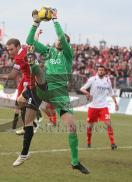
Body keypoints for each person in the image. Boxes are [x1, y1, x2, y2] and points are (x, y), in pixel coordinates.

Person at [13, 8, 89, 174]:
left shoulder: (68, 55)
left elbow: (62, 36)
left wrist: (55, 20)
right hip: (44, 86)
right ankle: (33, 115)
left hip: (60, 93)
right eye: (58, 40)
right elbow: (29, 41)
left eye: (63, 41)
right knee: (35, 72)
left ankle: (75, 162)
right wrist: (35, 22)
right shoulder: (49, 52)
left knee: (72, 127)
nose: (59, 41)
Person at [80, 65, 118, 150]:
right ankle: (88, 142)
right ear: (97, 71)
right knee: (89, 126)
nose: (100, 71)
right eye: (99, 70)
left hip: (103, 107)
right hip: (93, 107)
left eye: (102, 70)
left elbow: (111, 92)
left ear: (104, 72)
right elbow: (82, 89)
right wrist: (87, 93)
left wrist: (116, 103)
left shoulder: (108, 80)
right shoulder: (92, 79)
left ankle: (113, 143)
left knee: (108, 124)